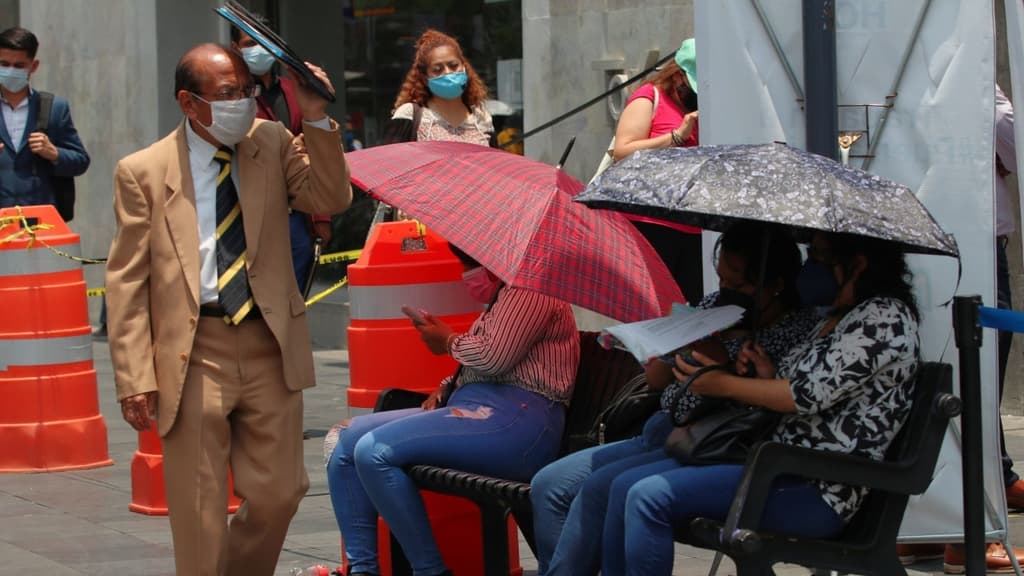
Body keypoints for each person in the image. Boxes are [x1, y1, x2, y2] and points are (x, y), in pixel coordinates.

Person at [105, 43, 351, 575]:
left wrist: (315, 117)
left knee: (282, 491)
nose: (241, 102)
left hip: (269, 342)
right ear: (188, 102)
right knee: (199, 509)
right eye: (225, 94)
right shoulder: (143, 171)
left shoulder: (271, 141)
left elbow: (330, 197)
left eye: (246, 90)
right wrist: (133, 376)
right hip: (194, 350)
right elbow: (127, 280)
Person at [600, 233, 921, 576]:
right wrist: (764, 372)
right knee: (623, 486)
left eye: (820, 258)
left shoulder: (884, 317)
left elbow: (803, 395)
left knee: (649, 497)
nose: (811, 267)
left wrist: (721, 383)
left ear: (858, 264)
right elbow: (807, 385)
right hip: (774, 468)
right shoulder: (839, 317)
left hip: (815, 487)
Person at [530, 222, 823, 576]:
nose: (727, 292)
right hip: (661, 429)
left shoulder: (796, 331)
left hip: (708, 442)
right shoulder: (713, 305)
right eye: (722, 280)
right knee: (548, 485)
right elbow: (657, 381)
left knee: (604, 489)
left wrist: (723, 366)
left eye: (739, 286)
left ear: (775, 285)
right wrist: (668, 338)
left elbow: (760, 406)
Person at [326, 246, 579, 576]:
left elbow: (492, 358)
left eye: (469, 262)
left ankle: (430, 571)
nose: (467, 273)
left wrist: (447, 341)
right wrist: (449, 383)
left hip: (517, 421)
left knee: (375, 452)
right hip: (477, 408)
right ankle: (362, 569)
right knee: (342, 441)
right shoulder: (506, 293)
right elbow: (493, 361)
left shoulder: (531, 287)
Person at [897, 83, 1024, 574]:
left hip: (928, 236)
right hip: (970, 243)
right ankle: (962, 532)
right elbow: (1011, 138)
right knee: (975, 383)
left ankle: (924, 527)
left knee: (940, 380)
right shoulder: (968, 77)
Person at [229, 17, 332, 291]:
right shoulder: (232, 97)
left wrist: (321, 218)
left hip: (296, 210)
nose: (258, 49)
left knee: (296, 288)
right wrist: (290, 146)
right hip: (250, 211)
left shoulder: (294, 91)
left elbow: (317, 152)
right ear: (235, 48)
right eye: (250, 43)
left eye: (264, 42)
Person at [611, 38, 703, 304]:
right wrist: (676, 136)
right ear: (677, 75)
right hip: (651, 224)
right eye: (691, 84)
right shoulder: (650, 97)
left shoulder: (703, 108)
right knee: (651, 308)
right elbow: (623, 151)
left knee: (689, 312)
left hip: (694, 227)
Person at [0, 26, 89, 210]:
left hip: (42, 219)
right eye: (4, 64)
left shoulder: (53, 108)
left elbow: (80, 161)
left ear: (33, 66)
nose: (10, 71)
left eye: (19, 66)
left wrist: (54, 153)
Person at [380, 28, 494, 146]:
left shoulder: (482, 118)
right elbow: (390, 156)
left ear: (465, 68)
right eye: (437, 69)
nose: (448, 73)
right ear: (425, 78)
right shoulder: (410, 115)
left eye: (453, 65)